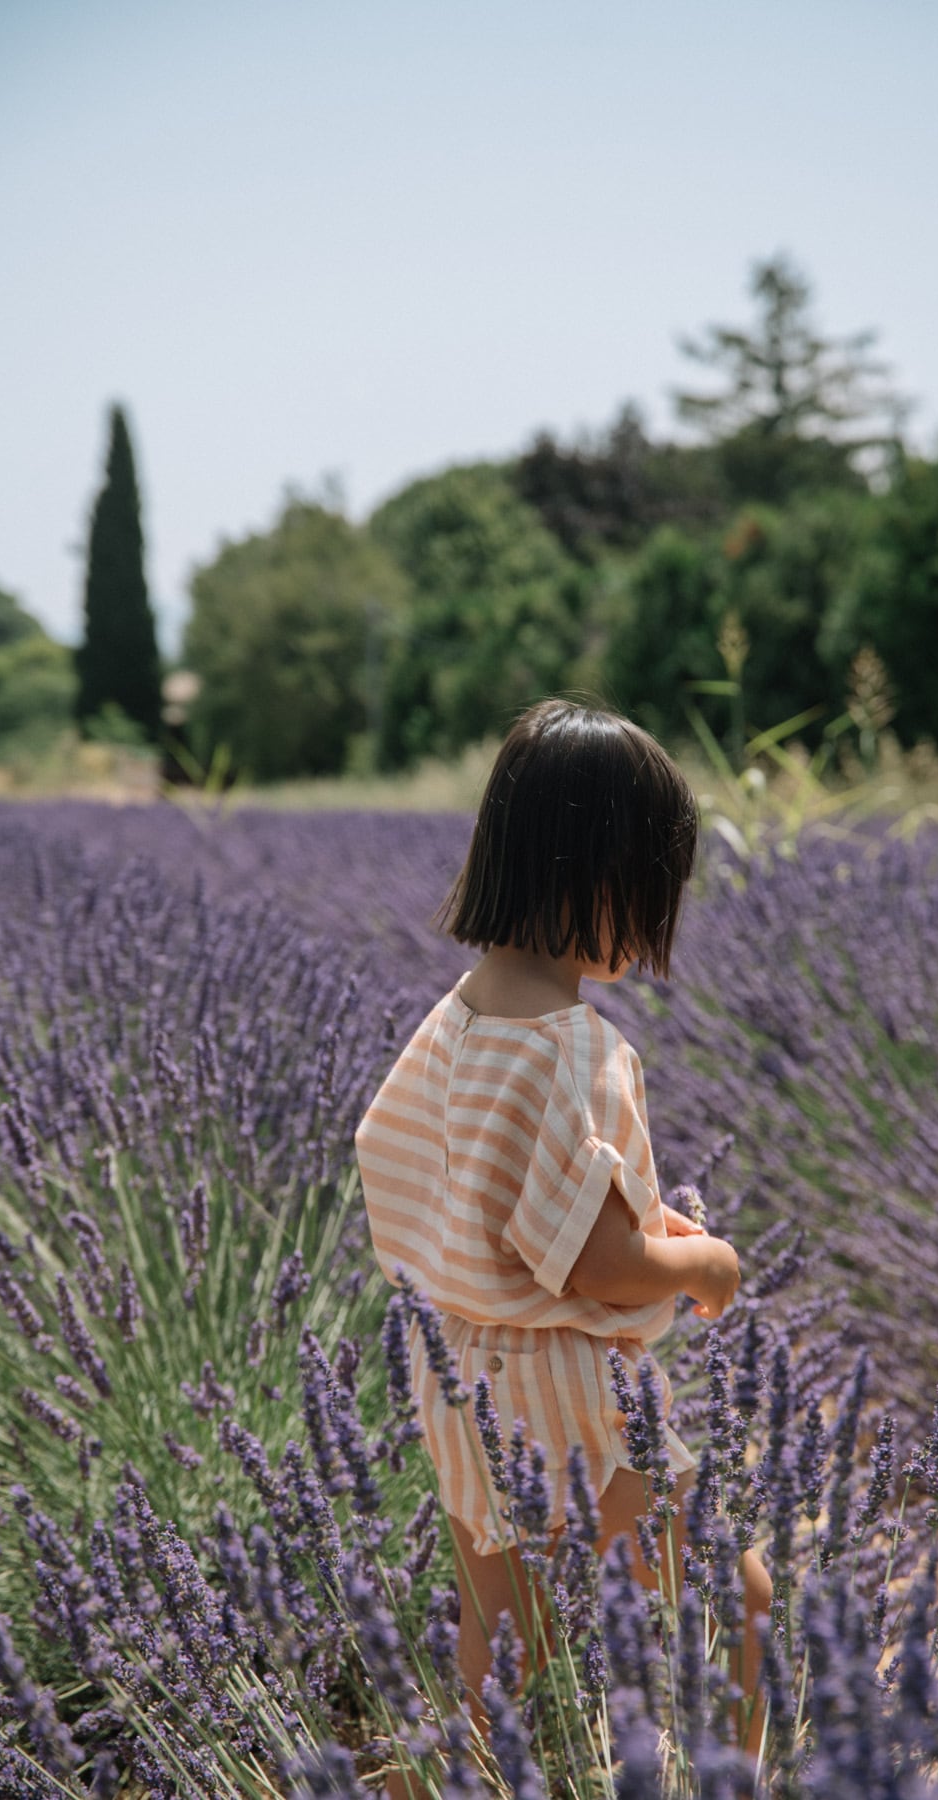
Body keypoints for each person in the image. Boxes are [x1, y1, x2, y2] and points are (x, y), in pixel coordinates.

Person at [355, 698, 772, 1779]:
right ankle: (737, 1779)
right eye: (646, 898)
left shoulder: (458, 1017)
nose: (648, 928)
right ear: (595, 882)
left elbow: (430, 1171)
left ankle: (453, 1782)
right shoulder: (577, 1046)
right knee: (739, 1600)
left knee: (500, 1643)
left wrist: (622, 1224)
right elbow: (598, 1264)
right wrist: (703, 1262)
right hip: (562, 1392)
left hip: (457, 1369)